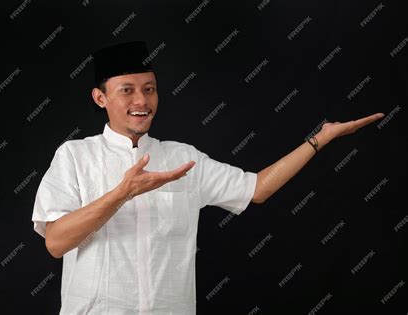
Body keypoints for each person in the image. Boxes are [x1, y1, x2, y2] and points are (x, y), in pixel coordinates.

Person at [31, 41, 384, 314]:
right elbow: (56, 242)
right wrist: (122, 193)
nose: (142, 100)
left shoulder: (183, 158)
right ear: (100, 97)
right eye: (127, 90)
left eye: (150, 88)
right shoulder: (75, 156)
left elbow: (256, 188)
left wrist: (319, 139)